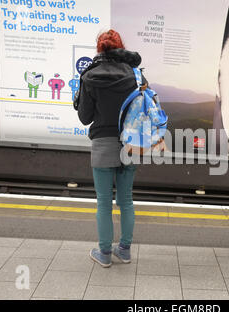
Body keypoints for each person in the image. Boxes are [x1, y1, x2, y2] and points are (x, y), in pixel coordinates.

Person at [76, 30, 144, 267]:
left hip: (103, 143)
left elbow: (85, 118)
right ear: (121, 48)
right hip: (130, 144)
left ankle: (104, 253)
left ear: (99, 49)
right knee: (126, 200)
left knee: (103, 202)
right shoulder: (135, 75)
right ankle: (124, 250)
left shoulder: (90, 76)